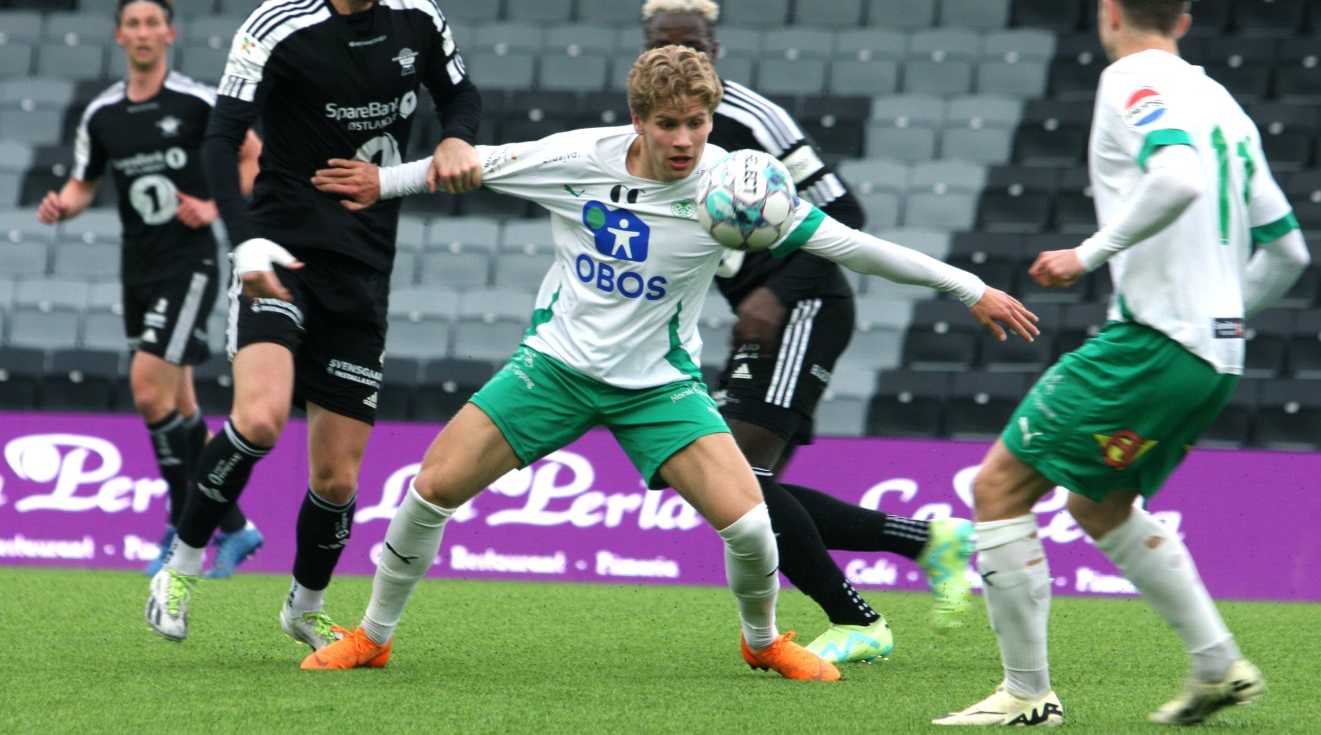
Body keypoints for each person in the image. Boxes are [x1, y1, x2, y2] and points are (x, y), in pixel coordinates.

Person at [298, 45, 1040, 679]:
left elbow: (852, 245)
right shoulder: (575, 159)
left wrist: (969, 287)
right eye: (667, 124)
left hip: (658, 385)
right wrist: (383, 182)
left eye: (697, 122)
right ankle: (373, 636)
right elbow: (476, 164)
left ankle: (763, 641)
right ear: (638, 119)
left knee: (750, 525)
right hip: (553, 368)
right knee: (430, 490)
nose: (684, 139)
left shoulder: (735, 188)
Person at [932, 0, 1309, 727]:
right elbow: (1289, 251)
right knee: (1100, 504)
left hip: (1152, 340)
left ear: (1108, 11)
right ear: (1184, 18)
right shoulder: (1225, 106)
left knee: (998, 487)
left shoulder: (1131, 77)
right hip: (1213, 356)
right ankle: (1216, 663)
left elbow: (1178, 176)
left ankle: (1027, 694)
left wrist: (1088, 253)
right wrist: (1225, 319)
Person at [144, 0, 484, 650]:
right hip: (282, 253)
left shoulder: (418, 17)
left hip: (363, 267)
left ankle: (303, 606)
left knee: (336, 475)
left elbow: (462, 97)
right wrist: (244, 241)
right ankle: (181, 564)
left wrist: (457, 137)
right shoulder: (277, 25)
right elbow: (221, 138)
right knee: (260, 419)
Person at [641, 0, 977, 662]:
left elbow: (844, 211)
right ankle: (926, 542)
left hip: (805, 307)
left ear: (715, 49)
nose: (679, 54)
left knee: (731, 473)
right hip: (755, 318)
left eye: (692, 44)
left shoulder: (754, 119)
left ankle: (860, 615)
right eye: (663, 44)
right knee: (736, 485)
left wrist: (775, 292)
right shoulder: (653, 130)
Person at [39, 0, 264, 579]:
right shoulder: (103, 113)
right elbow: (83, 183)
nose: (142, 33)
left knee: (146, 388)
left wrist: (215, 207)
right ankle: (236, 528)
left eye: (152, 24)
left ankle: (179, 524)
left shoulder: (196, 102)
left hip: (189, 264)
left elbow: (252, 155)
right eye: (132, 25)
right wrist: (62, 204)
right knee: (179, 403)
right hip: (137, 268)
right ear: (119, 36)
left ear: (169, 33)